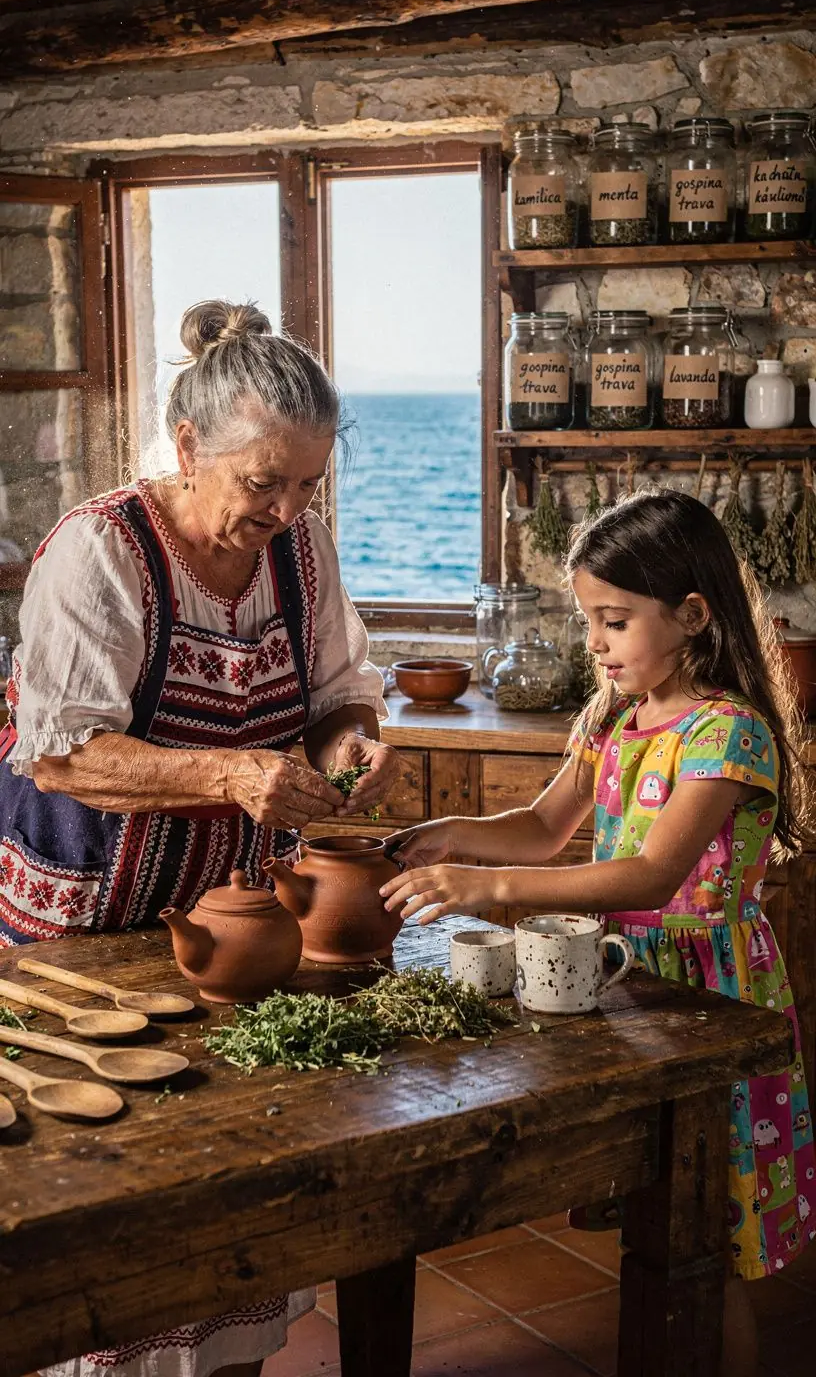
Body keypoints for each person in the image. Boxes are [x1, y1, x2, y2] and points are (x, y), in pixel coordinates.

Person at [0, 299, 400, 1377]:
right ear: (186, 448)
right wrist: (231, 771)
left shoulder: (299, 554)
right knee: (102, 1196)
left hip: (230, 928)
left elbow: (335, 695)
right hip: (84, 923)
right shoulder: (99, 551)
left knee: (236, 1178)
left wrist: (353, 739)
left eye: (308, 483)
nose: (287, 508)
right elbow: (65, 757)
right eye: (262, 482)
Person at [381, 488, 816, 1377]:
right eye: (589, 620)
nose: (594, 644)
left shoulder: (728, 735)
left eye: (613, 621)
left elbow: (653, 876)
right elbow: (543, 826)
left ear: (692, 616)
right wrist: (453, 835)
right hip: (626, 984)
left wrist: (488, 885)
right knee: (655, 1216)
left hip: (709, 999)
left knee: (710, 1239)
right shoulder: (618, 717)